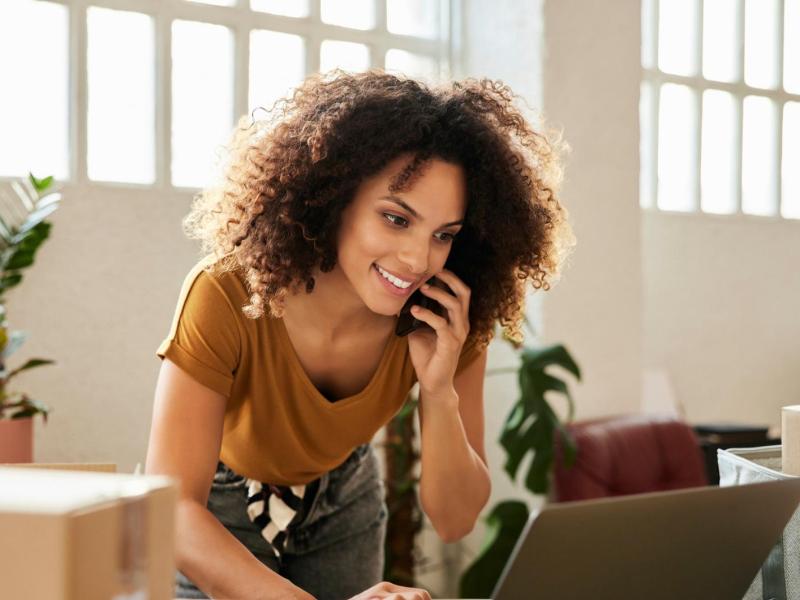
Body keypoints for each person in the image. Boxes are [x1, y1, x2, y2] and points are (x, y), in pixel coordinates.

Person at [145, 68, 575, 600]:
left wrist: (439, 390)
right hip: (214, 508)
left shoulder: (446, 316)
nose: (419, 258)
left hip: (343, 495)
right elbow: (176, 506)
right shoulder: (228, 291)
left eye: (443, 235)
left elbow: (455, 520)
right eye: (396, 219)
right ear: (333, 197)